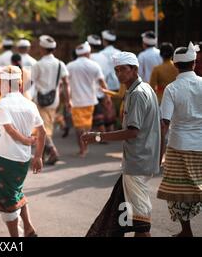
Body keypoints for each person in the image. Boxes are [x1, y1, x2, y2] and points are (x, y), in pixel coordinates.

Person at [83, 52, 161, 237]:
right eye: (117, 70)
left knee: (141, 223)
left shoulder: (138, 94)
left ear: (135, 69)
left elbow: (132, 132)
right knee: (132, 219)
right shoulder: (143, 89)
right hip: (141, 161)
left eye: (123, 69)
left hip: (137, 163)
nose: (119, 74)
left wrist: (99, 137)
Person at [0, 65, 46, 237]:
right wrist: (38, 156)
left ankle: (16, 237)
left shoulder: (2, 104)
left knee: (6, 199)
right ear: (20, 84)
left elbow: (10, 130)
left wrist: (26, 140)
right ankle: (28, 228)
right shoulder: (29, 104)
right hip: (23, 157)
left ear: (2, 83)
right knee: (11, 192)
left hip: (7, 157)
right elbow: (42, 132)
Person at [157, 42, 202, 237]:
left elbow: (164, 123)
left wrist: (159, 154)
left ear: (175, 65)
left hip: (178, 145)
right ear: (194, 63)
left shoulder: (171, 89)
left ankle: (187, 231)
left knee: (178, 192)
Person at [31, 35, 70, 165]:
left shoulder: (38, 64)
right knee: (48, 125)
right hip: (54, 100)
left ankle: (52, 151)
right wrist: (68, 101)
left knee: (42, 127)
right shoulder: (60, 64)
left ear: (42, 48)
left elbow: (31, 82)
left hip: (40, 100)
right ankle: (42, 154)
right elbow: (66, 83)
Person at [67, 41, 107, 157]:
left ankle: (82, 149)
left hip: (76, 101)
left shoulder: (70, 66)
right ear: (88, 52)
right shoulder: (94, 65)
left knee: (78, 127)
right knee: (87, 126)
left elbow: (65, 84)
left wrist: (66, 100)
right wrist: (107, 97)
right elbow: (102, 82)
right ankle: (85, 147)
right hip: (90, 101)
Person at [88, 34, 116, 133]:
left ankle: (103, 136)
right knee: (106, 112)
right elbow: (108, 74)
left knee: (97, 114)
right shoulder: (104, 57)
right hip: (104, 88)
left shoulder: (89, 57)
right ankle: (110, 132)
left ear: (90, 46)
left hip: (92, 90)